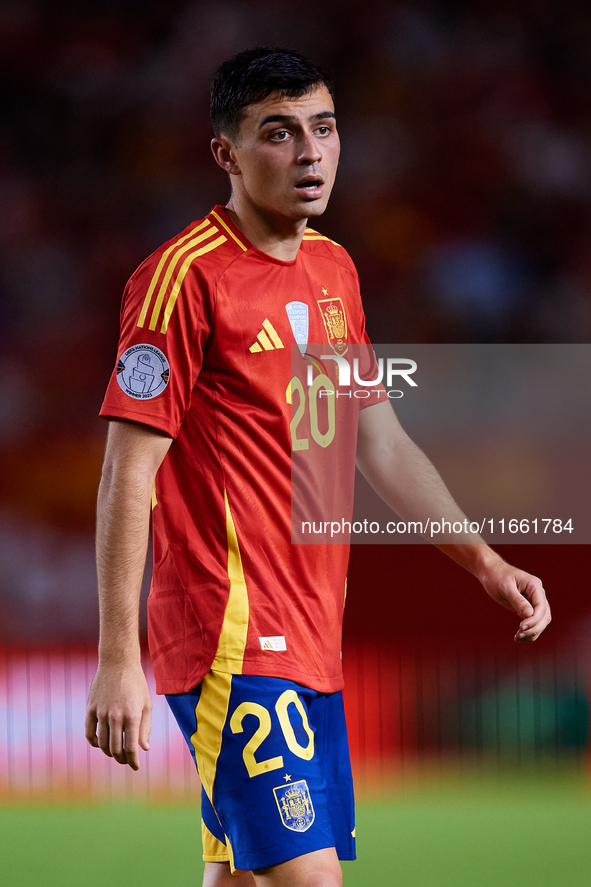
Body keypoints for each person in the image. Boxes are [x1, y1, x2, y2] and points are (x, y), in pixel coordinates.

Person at [85, 47, 551, 887]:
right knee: (309, 880)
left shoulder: (334, 269)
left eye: (323, 128)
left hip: (309, 634)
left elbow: (378, 441)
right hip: (231, 635)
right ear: (224, 153)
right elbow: (127, 476)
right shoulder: (181, 280)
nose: (309, 152)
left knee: (238, 876)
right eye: (279, 132)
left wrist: (482, 558)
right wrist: (118, 657)